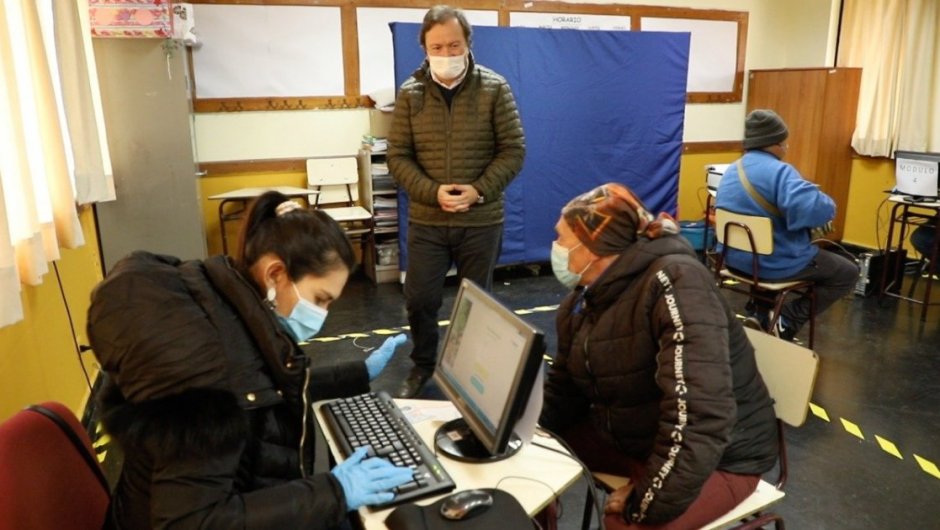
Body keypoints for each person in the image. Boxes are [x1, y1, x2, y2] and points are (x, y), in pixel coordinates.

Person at [87, 191, 413, 529]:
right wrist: (333, 491)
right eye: (321, 299)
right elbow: (191, 523)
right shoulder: (203, 373)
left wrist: (356, 372)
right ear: (275, 275)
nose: (324, 316)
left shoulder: (223, 300)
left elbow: (258, 390)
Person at [539, 183, 779, 529]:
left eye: (561, 239)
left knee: (624, 525)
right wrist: (517, 436)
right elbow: (564, 391)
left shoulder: (677, 283)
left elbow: (701, 418)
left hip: (721, 456)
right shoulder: (584, 299)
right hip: (639, 435)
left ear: (595, 248)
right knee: (529, 454)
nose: (556, 249)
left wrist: (644, 501)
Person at [387, 5, 525, 399]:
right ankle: (424, 366)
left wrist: (478, 189)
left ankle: (468, 375)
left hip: (481, 220)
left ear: (467, 44)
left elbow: (513, 150)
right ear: (424, 47)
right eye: (437, 46)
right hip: (428, 219)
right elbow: (398, 155)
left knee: (477, 307)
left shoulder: (495, 87)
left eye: (454, 44)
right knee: (420, 299)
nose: (446, 54)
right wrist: (433, 192)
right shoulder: (410, 94)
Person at [715, 109, 859, 340]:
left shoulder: (733, 169)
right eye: (784, 141)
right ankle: (786, 320)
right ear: (773, 143)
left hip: (734, 260)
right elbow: (816, 209)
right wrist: (823, 200)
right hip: (772, 265)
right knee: (848, 272)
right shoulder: (780, 171)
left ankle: (762, 314)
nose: (786, 146)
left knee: (767, 245)